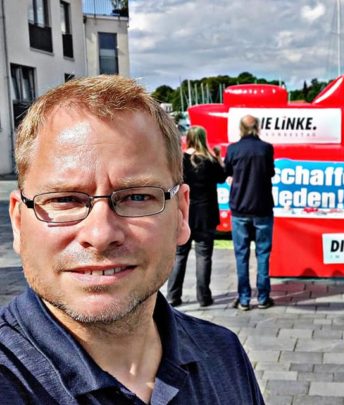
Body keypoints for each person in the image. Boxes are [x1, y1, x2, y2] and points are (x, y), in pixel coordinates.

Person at [0, 76, 264, 404]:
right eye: (65, 199)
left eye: (137, 197)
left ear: (181, 214)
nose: (100, 234)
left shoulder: (226, 357)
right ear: (18, 223)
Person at [166, 126, 226, 307]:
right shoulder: (210, 161)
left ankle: (173, 296)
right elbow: (222, 177)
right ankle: (204, 297)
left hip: (184, 214)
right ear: (203, 138)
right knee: (204, 256)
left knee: (180, 255)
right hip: (206, 215)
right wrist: (218, 158)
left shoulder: (180, 161)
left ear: (189, 139)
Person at [224, 115, 275, 311]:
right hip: (262, 207)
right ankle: (263, 297)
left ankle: (244, 298)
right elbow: (270, 172)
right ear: (258, 128)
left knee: (241, 255)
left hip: (240, 207)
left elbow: (226, 171)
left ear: (241, 128)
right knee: (263, 254)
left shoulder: (234, 149)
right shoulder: (266, 148)